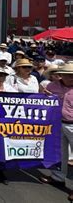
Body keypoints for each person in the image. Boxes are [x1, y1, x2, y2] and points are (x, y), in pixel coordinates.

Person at [39, 63, 73, 202]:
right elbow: (41, 100)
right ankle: (58, 177)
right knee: (60, 152)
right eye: (68, 74)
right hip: (57, 122)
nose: (71, 77)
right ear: (61, 74)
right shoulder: (52, 86)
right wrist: (44, 94)